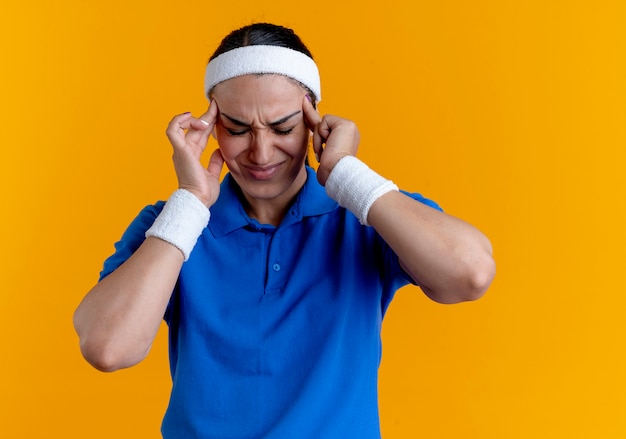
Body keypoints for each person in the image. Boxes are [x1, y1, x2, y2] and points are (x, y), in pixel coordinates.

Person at [73, 22, 495, 439]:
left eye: (283, 128)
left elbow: (471, 273)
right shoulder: (171, 226)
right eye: (237, 129)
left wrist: (347, 175)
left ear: (313, 117)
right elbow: (108, 348)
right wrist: (189, 205)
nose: (260, 152)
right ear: (212, 123)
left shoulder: (364, 216)